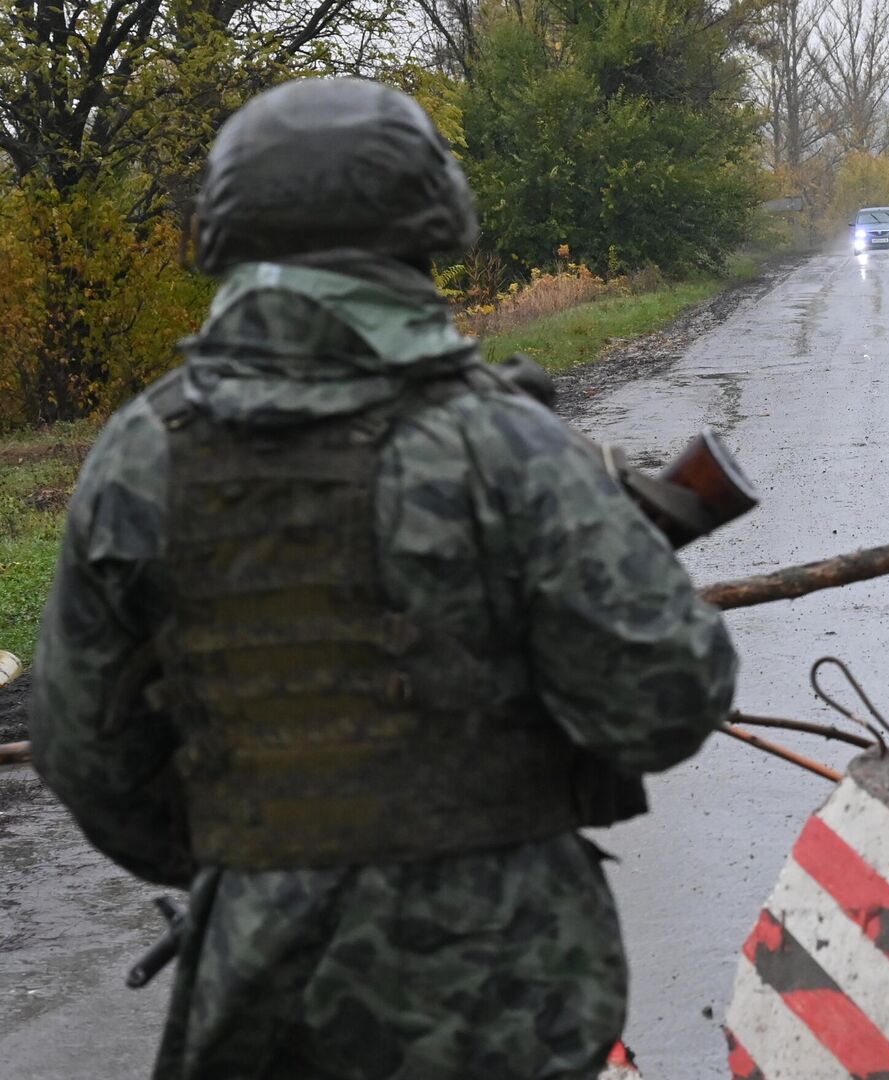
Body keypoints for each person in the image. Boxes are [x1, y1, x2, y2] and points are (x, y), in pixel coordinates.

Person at [29, 76, 737, 1079]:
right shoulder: (505, 443)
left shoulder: (141, 453)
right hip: (508, 996)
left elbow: (84, 754)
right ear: (429, 225)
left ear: (229, 233)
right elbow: (666, 702)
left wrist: (264, 856)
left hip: (256, 985)